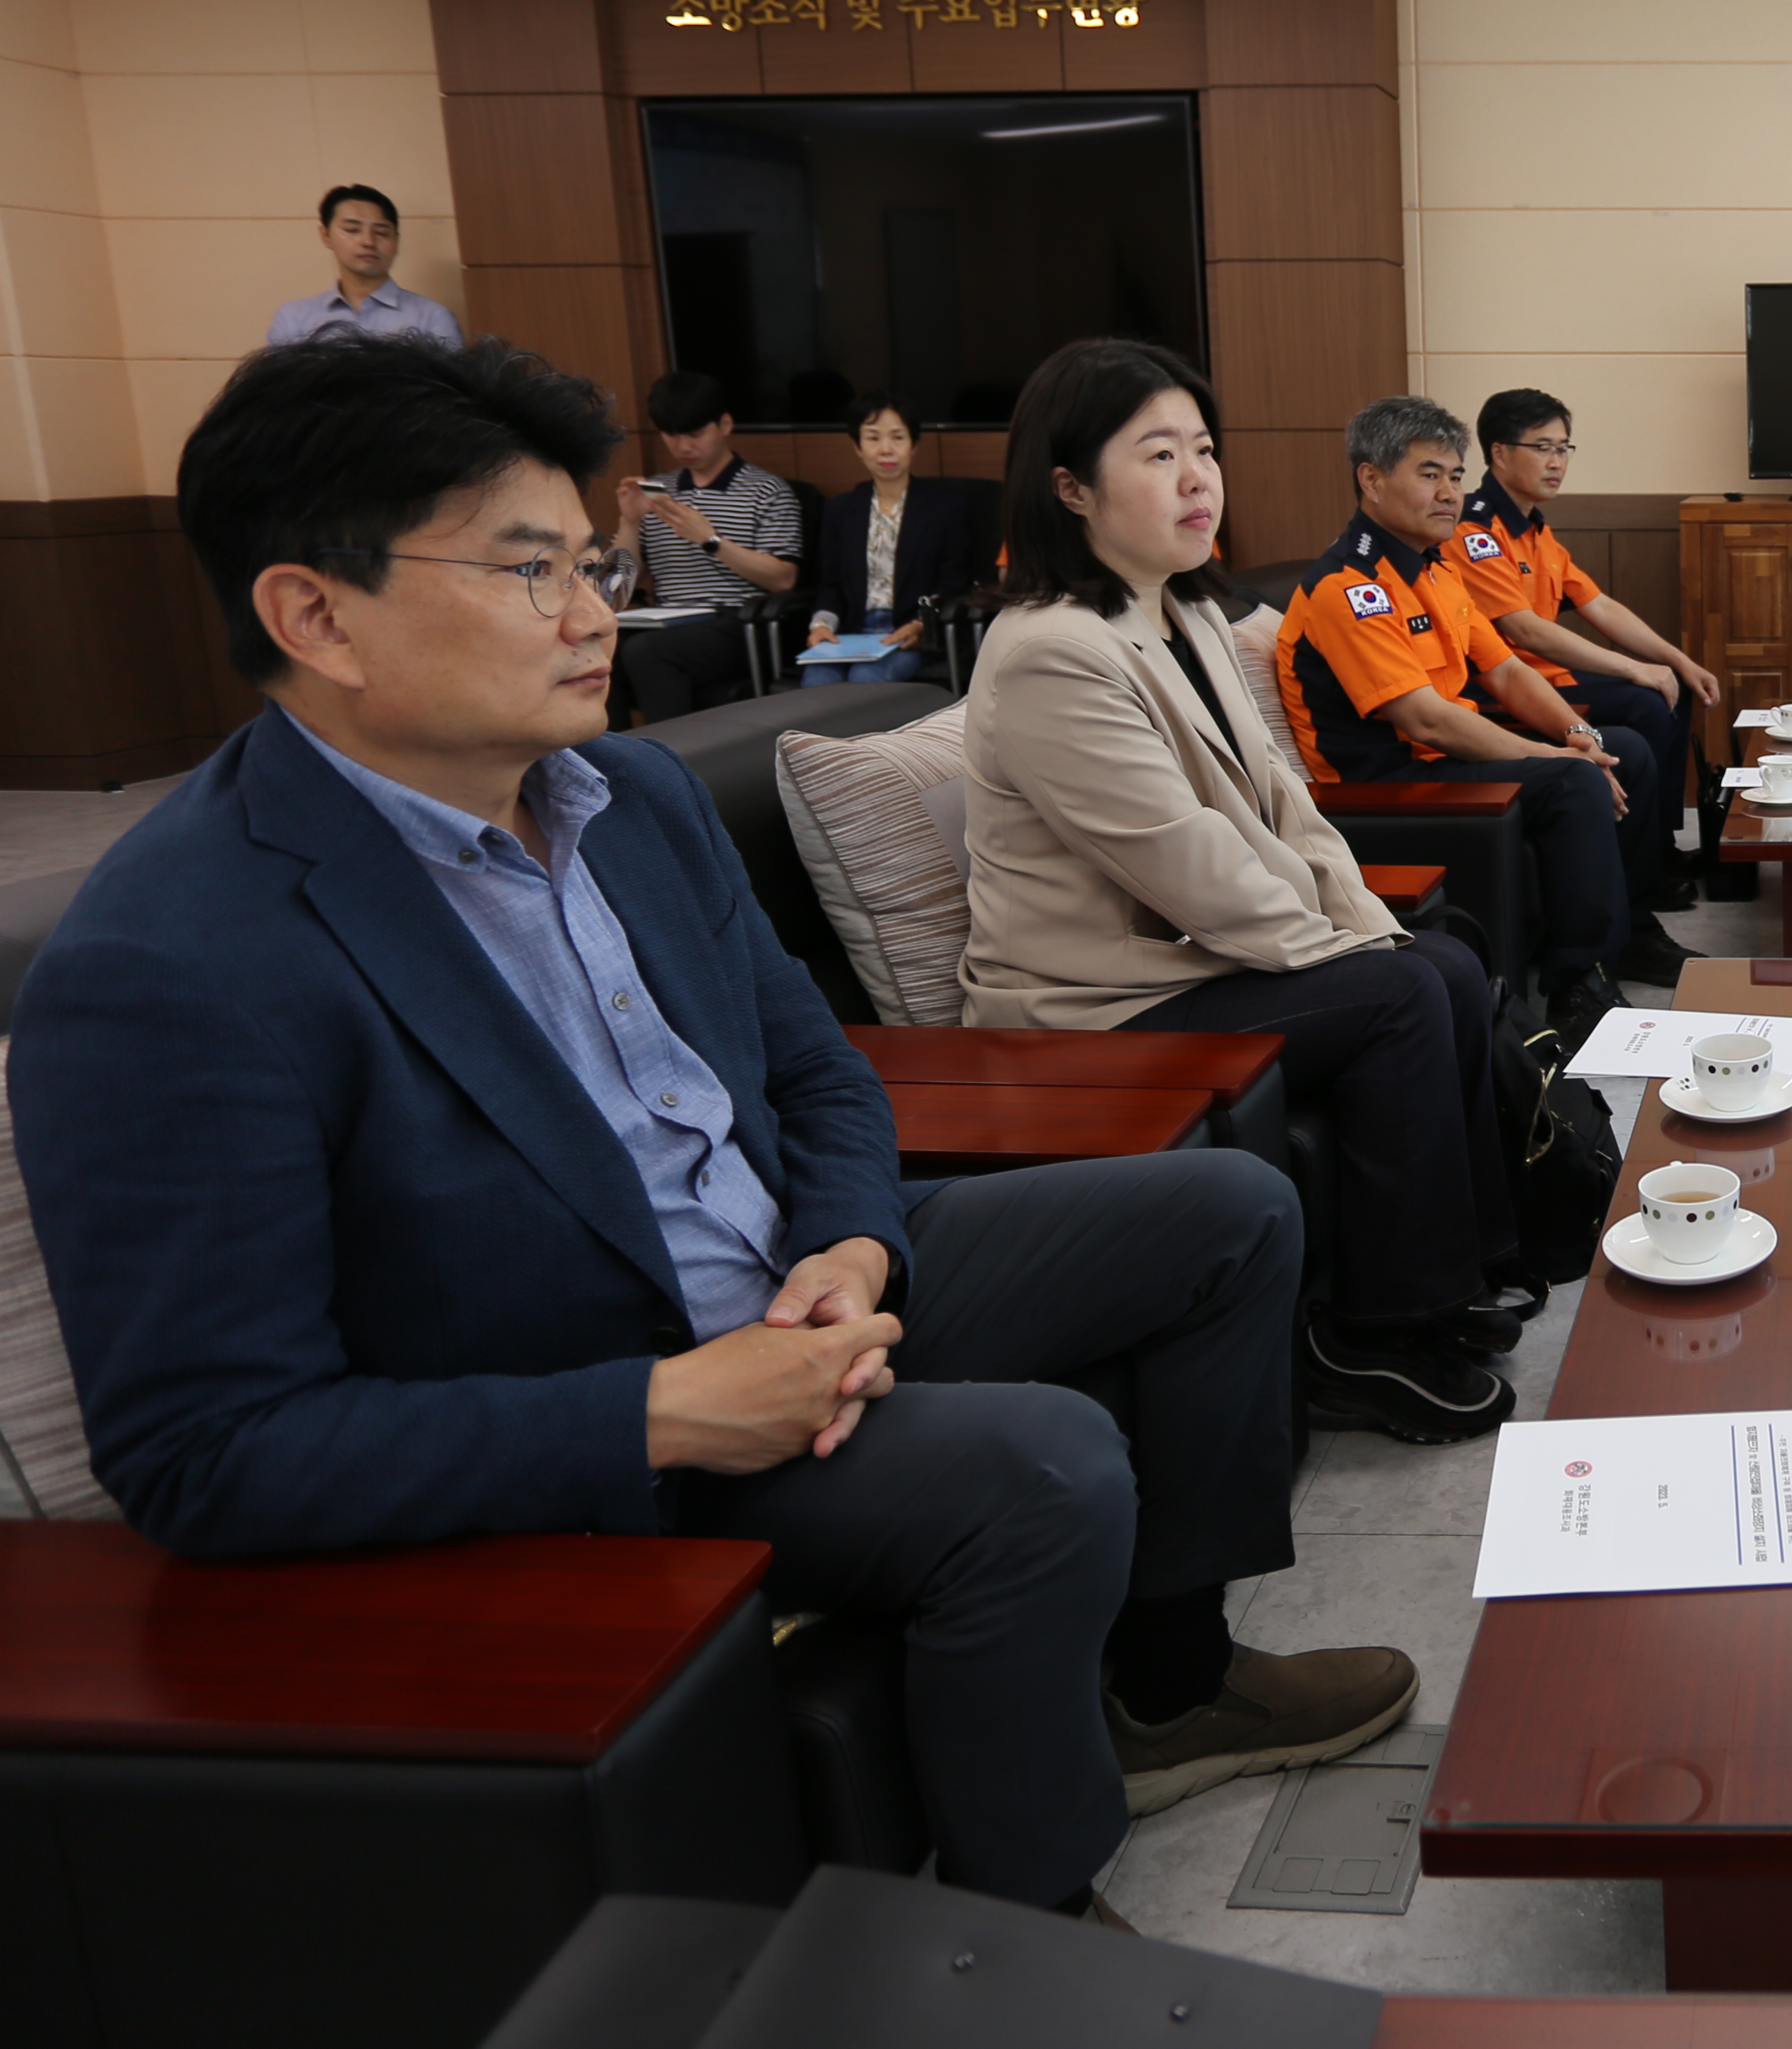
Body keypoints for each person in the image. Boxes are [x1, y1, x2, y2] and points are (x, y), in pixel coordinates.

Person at [8, 335, 1417, 1924]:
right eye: (527, 571)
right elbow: (206, 1453)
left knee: (1226, 1213)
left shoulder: (631, 800)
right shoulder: (172, 959)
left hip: (791, 1280)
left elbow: (815, 1071)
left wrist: (852, 1242)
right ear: (313, 614)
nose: (591, 615)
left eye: (590, 564)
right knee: (1041, 1464)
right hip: (605, 1410)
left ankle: (1169, 1683)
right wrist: (666, 1411)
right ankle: (1017, 1930)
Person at [959, 340, 1534, 1442]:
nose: (1198, 480)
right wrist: (1358, 954)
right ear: (1069, 487)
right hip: (1099, 1005)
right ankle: (1368, 1335)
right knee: (1402, 992)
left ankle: (1459, 1276)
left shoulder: (1181, 616)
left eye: (1205, 451)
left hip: (1195, 959)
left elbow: (1283, 805)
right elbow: (1191, 867)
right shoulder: (1049, 653)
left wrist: (1365, 925)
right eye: (1159, 455)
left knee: (1446, 961)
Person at [1268, 396, 1685, 1029]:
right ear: (1371, 479)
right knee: (1574, 779)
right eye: (1429, 474)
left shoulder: (1434, 571)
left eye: (1456, 476)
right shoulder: (1349, 587)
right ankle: (1578, 988)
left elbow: (1507, 671)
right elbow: (1427, 720)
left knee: (1619, 745)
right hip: (1383, 785)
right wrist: (1560, 756)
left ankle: (1624, 930)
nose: (1449, 493)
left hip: (1443, 760)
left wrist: (1579, 734)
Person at [1453, 388, 1719, 919]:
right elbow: (1525, 631)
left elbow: (1600, 606)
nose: (1557, 462)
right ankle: (1644, 872)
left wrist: (1677, 661)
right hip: (1506, 691)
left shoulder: (1535, 529)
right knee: (1645, 702)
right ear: (1499, 453)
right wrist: (1634, 669)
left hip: (1549, 678)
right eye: (1543, 448)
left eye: (1564, 448)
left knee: (1674, 687)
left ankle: (1659, 847)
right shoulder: (1474, 531)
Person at [606, 371, 806, 724]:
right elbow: (619, 588)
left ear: (725, 425)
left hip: (737, 623)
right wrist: (630, 522)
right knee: (602, 643)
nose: (683, 447)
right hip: (666, 620)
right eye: (672, 435)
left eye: (695, 435)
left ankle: (674, 754)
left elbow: (783, 579)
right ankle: (614, 753)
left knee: (648, 652)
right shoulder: (658, 492)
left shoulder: (767, 491)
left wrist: (710, 540)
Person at [799, 391, 970, 688]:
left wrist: (920, 625)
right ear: (857, 446)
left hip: (911, 636)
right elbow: (830, 587)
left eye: (898, 438)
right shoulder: (840, 511)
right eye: (873, 438)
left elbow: (954, 585)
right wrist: (821, 625)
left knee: (866, 679)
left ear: (914, 444)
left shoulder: (945, 509)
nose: (886, 450)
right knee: (817, 682)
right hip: (850, 635)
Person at [265, 184, 463, 351]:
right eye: (353, 230)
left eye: (382, 233)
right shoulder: (294, 319)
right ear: (326, 236)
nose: (368, 241)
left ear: (396, 241)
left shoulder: (432, 318)